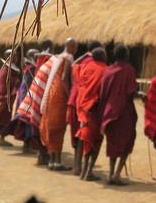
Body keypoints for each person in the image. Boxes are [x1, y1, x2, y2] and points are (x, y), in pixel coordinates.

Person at [97, 43, 142, 186]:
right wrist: (141, 95)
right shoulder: (129, 70)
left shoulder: (108, 71)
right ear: (126, 55)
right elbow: (131, 91)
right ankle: (117, 173)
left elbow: (103, 93)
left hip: (109, 113)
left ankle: (110, 173)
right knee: (127, 142)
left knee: (113, 144)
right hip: (124, 112)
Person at [38, 38, 78, 171]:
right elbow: (64, 78)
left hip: (52, 94)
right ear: (72, 47)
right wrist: (70, 96)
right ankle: (57, 162)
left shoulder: (57, 57)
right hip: (59, 95)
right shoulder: (68, 58)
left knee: (52, 126)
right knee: (59, 128)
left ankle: (53, 161)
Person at [66, 39, 102, 174]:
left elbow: (73, 67)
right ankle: (79, 168)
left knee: (78, 136)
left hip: (74, 101)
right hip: (83, 104)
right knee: (83, 135)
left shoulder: (82, 61)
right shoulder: (95, 64)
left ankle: (77, 166)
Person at [75, 46, 109, 181]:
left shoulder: (84, 68)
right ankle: (89, 171)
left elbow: (73, 66)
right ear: (103, 57)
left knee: (86, 138)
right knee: (97, 140)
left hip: (83, 110)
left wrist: (84, 56)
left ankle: (83, 170)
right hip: (97, 110)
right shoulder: (106, 70)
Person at [0, 48, 22, 146]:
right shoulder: (6, 70)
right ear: (8, 57)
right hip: (3, 98)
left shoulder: (12, 69)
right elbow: (2, 85)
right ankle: (1, 138)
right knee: (2, 117)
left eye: (16, 56)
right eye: (13, 56)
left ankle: (2, 138)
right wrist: (4, 97)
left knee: (6, 117)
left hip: (7, 98)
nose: (16, 58)